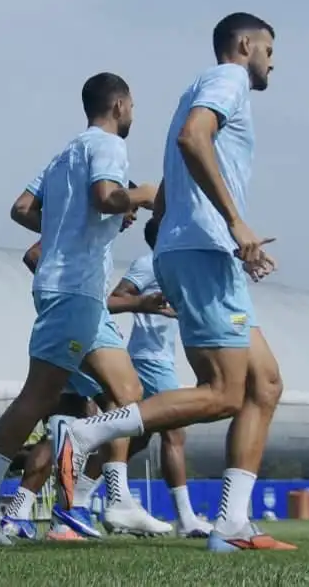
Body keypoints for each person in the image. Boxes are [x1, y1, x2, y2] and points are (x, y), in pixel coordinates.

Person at [56, 13, 294, 552]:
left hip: (204, 252)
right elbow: (192, 138)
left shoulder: (201, 88)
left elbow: (174, 174)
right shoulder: (228, 79)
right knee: (224, 392)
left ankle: (232, 524)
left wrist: (181, 235)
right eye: (269, 50)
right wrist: (233, 224)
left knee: (265, 384)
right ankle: (85, 432)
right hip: (203, 252)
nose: (272, 62)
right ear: (245, 45)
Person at [0, 72, 157, 546]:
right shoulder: (109, 145)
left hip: (84, 295)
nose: (133, 114)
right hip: (71, 288)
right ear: (120, 105)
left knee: (129, 393)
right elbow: (107, 196)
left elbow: (22, 208)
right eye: (132, 106)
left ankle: (111, 496)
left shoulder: (65, 154)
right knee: (39, 396)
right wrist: (144, 194)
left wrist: (69, 223)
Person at [109, 218, 213, 538]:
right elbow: (114, 298)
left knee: (136, 439)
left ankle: (81, 492)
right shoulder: (148, 264)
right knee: (175, 431)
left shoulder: (175, 265)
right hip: (148, 358)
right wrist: (144, 305)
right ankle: (187, 519)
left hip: (162, 358)